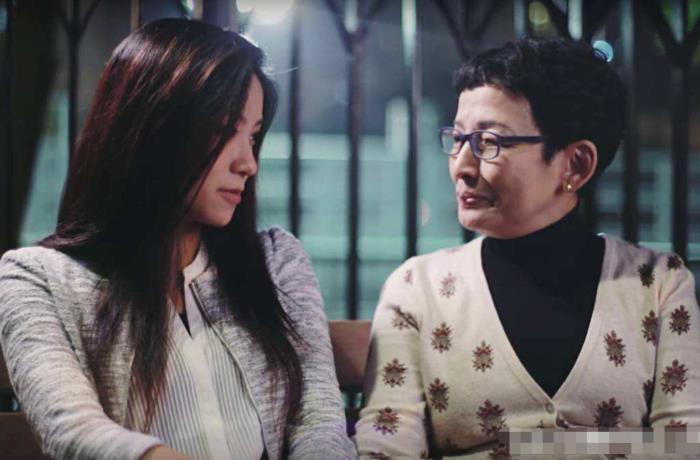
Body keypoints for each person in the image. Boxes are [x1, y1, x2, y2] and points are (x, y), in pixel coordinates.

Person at [0, 18, 355, 460]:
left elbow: (318, 421)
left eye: (253, 136)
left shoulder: (276, 261)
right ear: (153, 129)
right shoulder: (36, 280)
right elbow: (73, 430)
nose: (248, 163)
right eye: (224, 130)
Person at [355, 37, 700, 459]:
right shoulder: (418, 288)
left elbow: (685, 446)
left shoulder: (657, 286)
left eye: (488, 142)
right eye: (458, 138)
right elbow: (386, 448)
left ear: (576, 164)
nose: (462, 165)